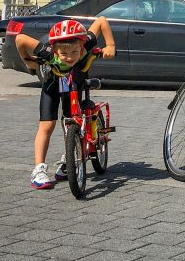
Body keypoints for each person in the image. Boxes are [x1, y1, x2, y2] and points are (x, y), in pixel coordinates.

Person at [16, 17, 116, 189]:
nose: (69, 58)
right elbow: (20, 39)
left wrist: (110, 46)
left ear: (81, 46)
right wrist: (27, 59)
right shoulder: (47, 51)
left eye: (74, 53)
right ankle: (39, 169)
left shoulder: (87, 42)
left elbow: (101, 21)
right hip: (53, 84)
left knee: (72, 122)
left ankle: (69, 160)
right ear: (54, 50)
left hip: (75, 83)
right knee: (46, 125)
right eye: (63, 54)